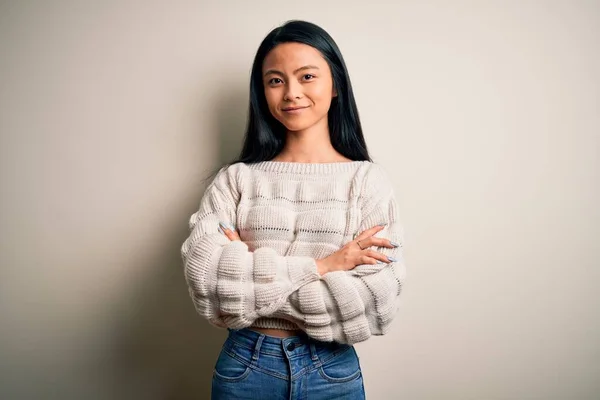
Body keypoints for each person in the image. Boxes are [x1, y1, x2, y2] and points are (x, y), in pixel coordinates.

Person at [180, 20, 407, 400]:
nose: (291, 93)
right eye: (275, 80)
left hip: (331, 371)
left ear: (335, 86)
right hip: (246, 368)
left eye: (306, 76)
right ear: (262, 92)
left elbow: (376, 303)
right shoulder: (236, 181)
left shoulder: (366, 182)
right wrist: (324, 266)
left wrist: (249, 277)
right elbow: (208, 282)